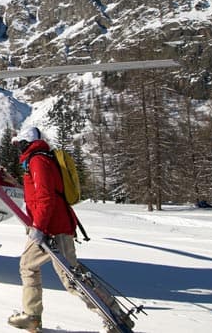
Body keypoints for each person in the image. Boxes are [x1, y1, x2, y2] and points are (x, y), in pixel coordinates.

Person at [7, 127, 132, 333]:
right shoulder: (37, 160)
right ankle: (31, 315)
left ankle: (114, 317)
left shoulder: (38, 160)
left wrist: (39, 227)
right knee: (32, 266)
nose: (17, 148)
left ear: (26, 143)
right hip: (51, 225)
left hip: (52, 228)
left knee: (71, 279)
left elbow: (45, 197)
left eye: (19, 144)